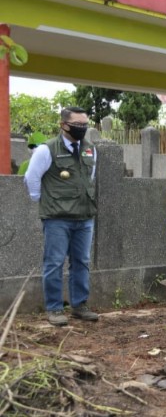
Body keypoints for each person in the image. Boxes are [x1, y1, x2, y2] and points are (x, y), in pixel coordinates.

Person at [24, 107, 99, 326]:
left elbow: (90, 177)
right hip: (57, 217)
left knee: (81, 262)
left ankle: (79, 306)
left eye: (85, 124)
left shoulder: (90, 149)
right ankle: (55, 308)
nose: (82, 129)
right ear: (63, 125)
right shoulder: (47, 149)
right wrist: (43, 200)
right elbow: (31, 177)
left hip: (84, 216)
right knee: (54, 262)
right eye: (77, 125)